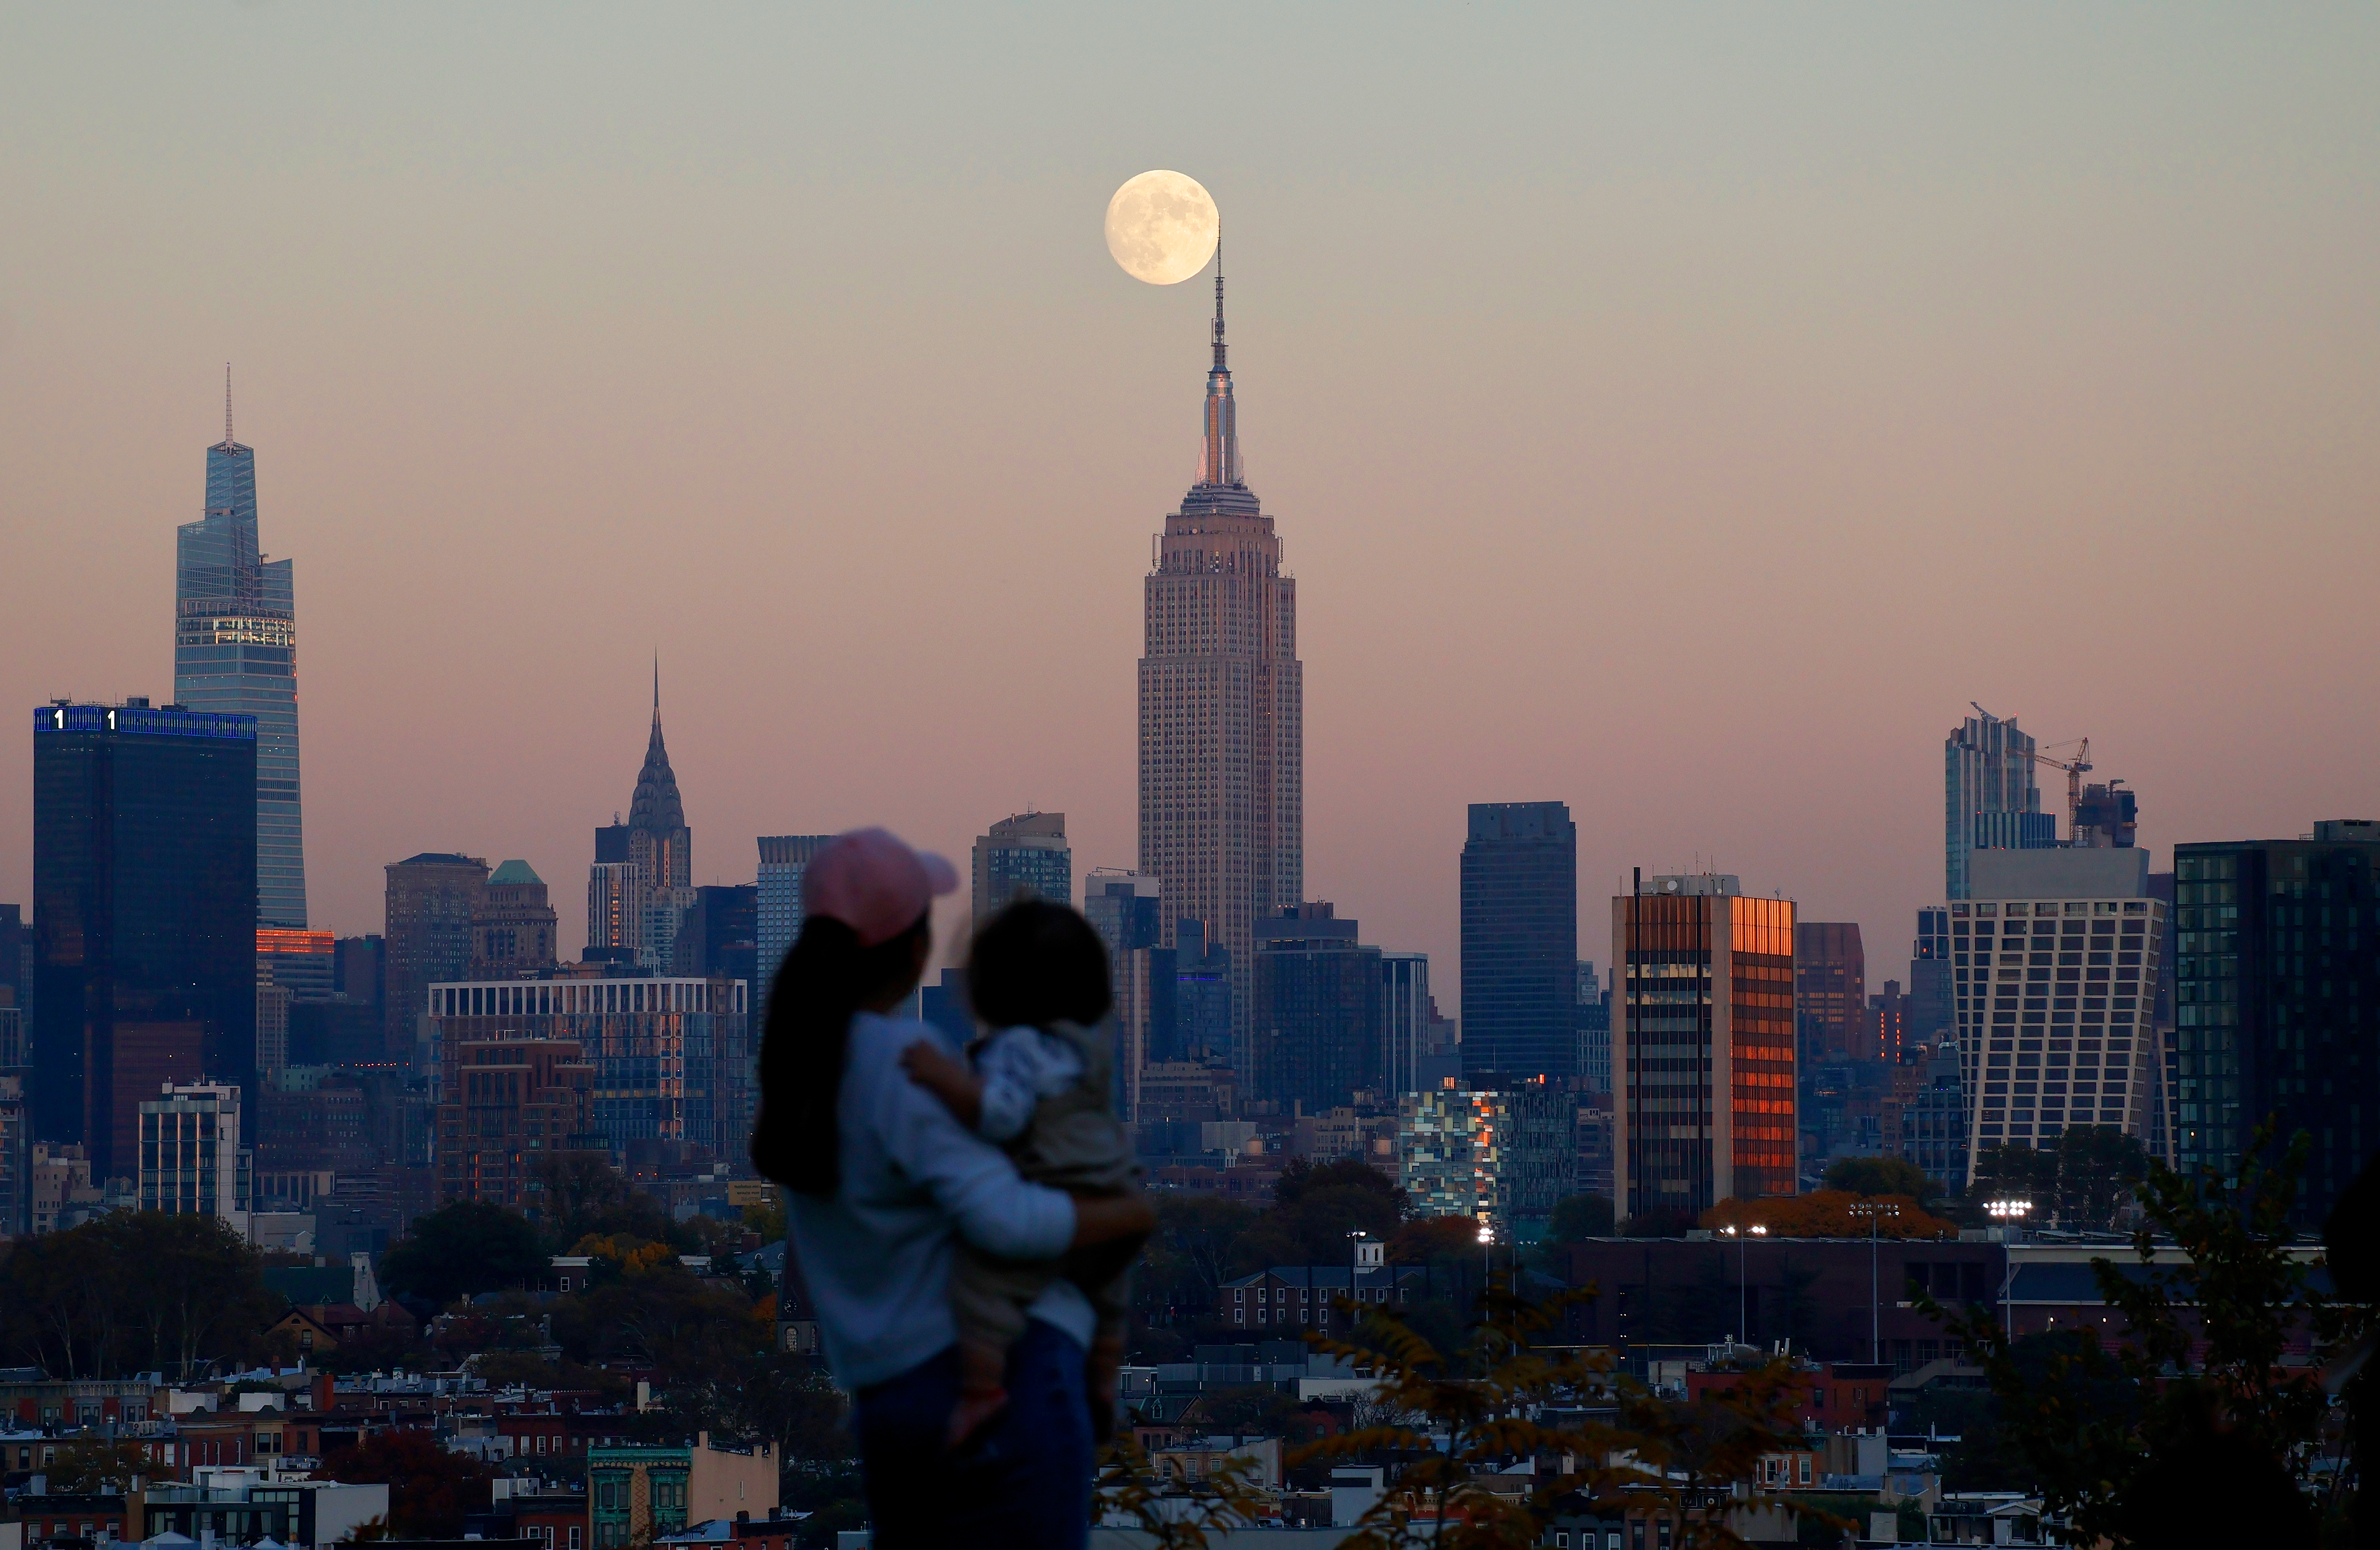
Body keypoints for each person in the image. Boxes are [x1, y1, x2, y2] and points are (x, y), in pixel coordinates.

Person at [749, 828, 1151, 1550]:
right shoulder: (899, 1058)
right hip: (1000, 1384)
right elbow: (1002, 1220)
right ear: (911, 945)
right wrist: (1120, 1213)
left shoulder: (801, 1068)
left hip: (886, 1401)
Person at [898, 899, 1141, 1446]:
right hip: (1111, 1194)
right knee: (1108, 1298)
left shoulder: (1017, 1048)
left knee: (979, 1283)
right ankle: (1103, 1383)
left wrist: (942, 1078)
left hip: (1055, 1194)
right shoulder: (1089, 1050)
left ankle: (983, 1391)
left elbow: (1001, 1114)